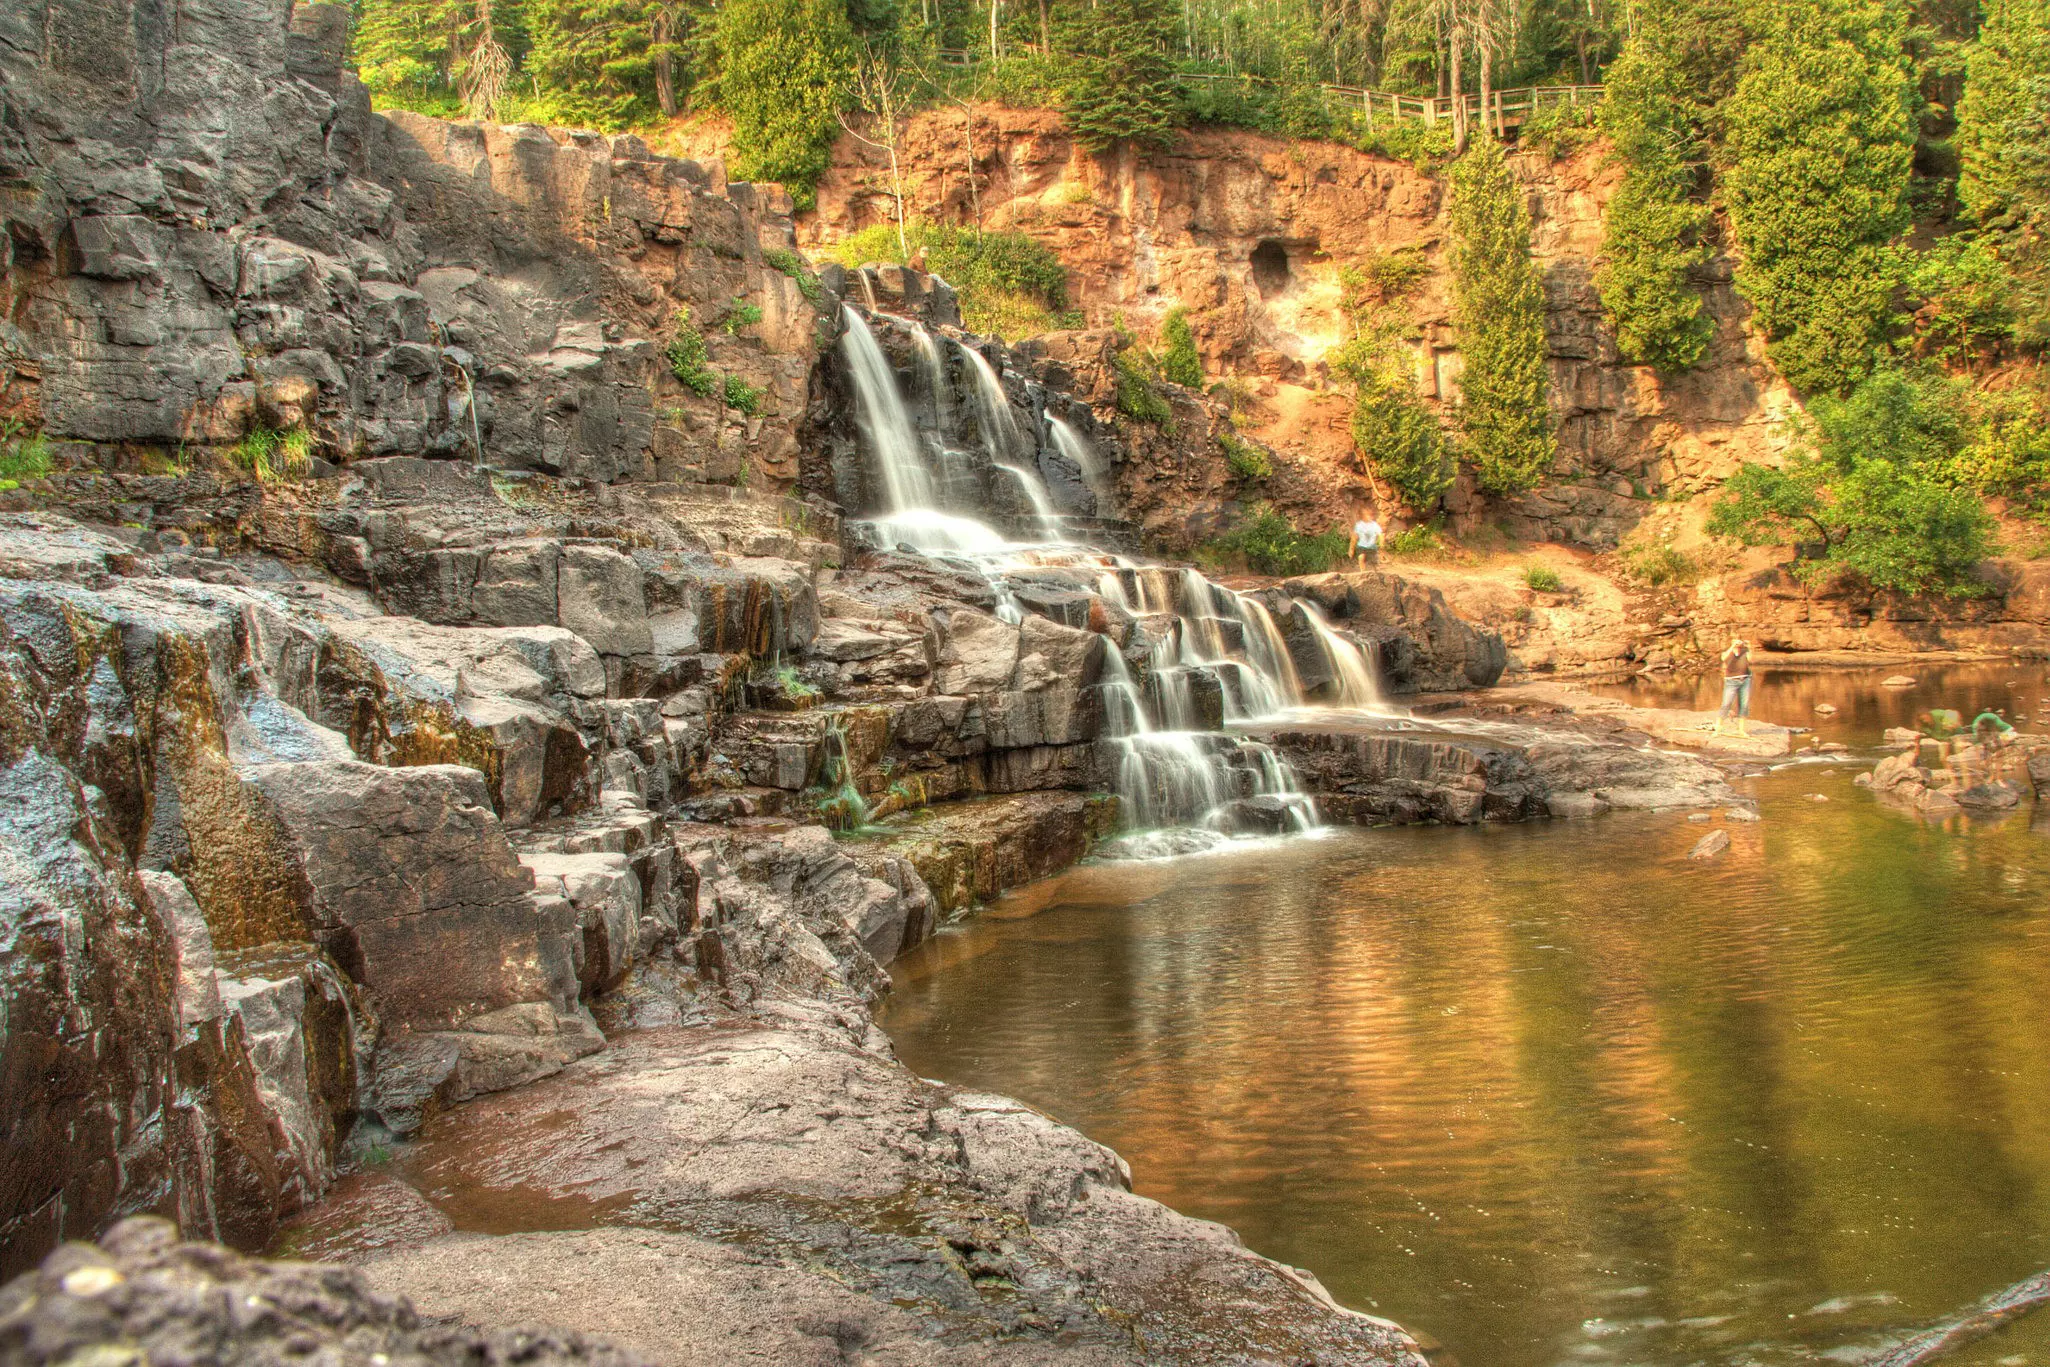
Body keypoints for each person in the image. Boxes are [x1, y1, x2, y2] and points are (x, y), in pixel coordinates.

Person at [1714, 635, 1752, 737]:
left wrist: (1749, 647)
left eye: (1739, 642)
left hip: (1745, 680)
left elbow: (1751, 660)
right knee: (1726, 704)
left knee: (1744, 705)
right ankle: (1718, 729)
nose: (1738, 643)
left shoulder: (1745, 652)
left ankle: (1741, 730)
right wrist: (1732, 647)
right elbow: (1724, 658)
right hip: (1731, 681)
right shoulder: (1727, 652)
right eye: (1735, 641)